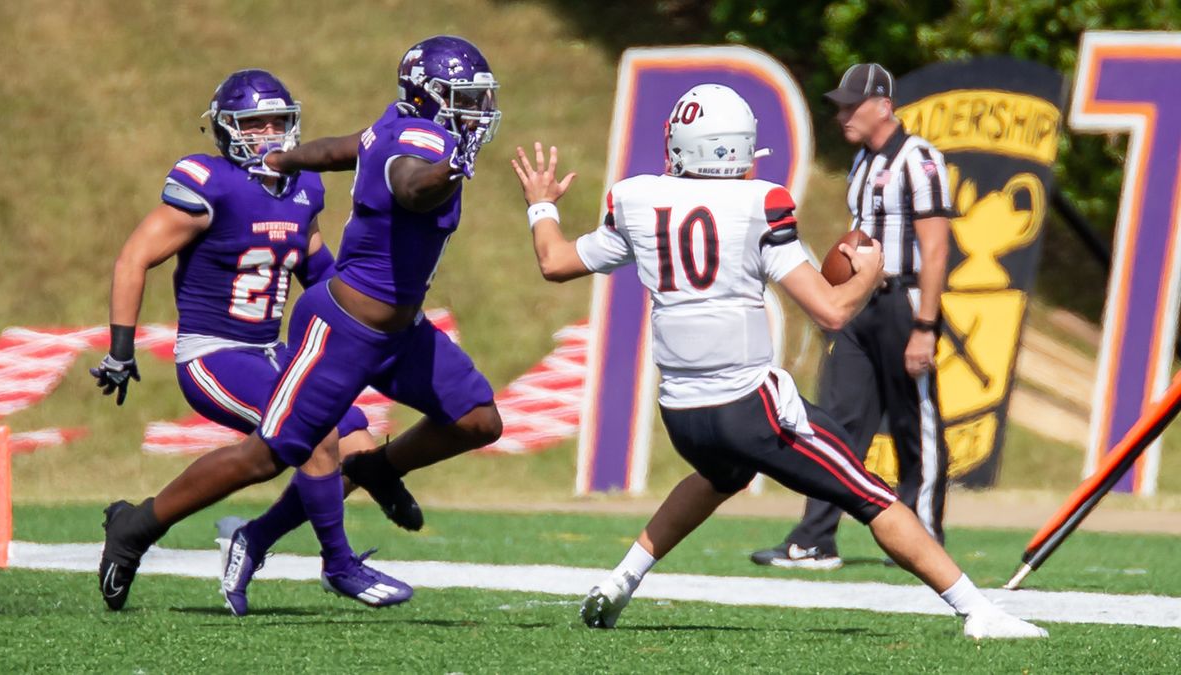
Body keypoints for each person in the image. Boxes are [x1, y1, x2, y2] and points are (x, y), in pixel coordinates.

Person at [511, 84, 1044, 639]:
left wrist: (542, 203)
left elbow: (556, 261)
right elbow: (833, 311)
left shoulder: (638, 199)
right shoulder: (759, 205)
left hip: (682, 412)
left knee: (721, 474)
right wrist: (870, 273)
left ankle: (622, 578)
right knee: (873, 495)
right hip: (750, 405)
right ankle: (979, 611)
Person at [97, 38, 503, 615]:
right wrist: (120, 347)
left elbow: (320, 258)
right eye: (254, 124)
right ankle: (158, 530)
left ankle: (274, 528)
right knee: (304, 444)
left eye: (276, 123)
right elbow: (134, 257)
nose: (267, 135)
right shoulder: (207, 185)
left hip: (281, 347)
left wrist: (366, 311)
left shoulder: (301, 192)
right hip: (214, 352)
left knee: (363, 439)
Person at [751, 63, 953, 570]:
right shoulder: (863, 162)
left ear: (883, 104)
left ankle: (923, 533)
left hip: (904, 300)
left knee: (914, 421)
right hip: (864, 301)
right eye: (839, 104)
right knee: (835, 420)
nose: (841, 114)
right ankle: (816, 537)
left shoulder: (919, 159)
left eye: (851, 104)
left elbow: (935, 248)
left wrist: (925, 327)